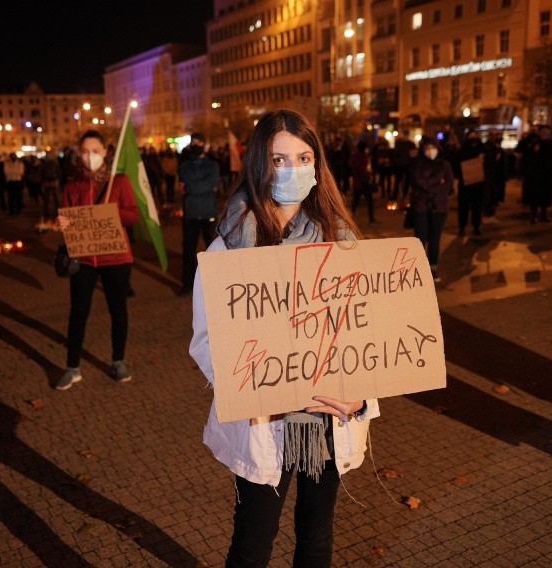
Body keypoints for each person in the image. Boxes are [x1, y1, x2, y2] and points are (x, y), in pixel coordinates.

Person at [189, 110, 379, 567]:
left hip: (327, 415)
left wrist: (360, 397)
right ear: (259, 164)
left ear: (318, 164)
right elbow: (206, 340)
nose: (292, 169)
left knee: (316, 536)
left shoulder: (344, 241)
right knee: (253, 541)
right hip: (266, 420)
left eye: (303, 156)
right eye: (279, 158)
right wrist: (247, 389)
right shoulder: (230, 247)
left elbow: (369, 333)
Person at [56, 130, 139, 389]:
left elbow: (133, 215)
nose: (89, 156)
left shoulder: (120, 182)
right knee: (78, 313)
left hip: (116, 257)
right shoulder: (72, 185)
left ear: (104, 152)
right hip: (85, 260)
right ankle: (72, 367)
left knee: (118, 311)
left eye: (94, 150)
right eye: (84, 151)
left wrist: (108, 213)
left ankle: (118, 361)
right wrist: (64, 223)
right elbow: (69, 219)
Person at [176, 132, 220, 297]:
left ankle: (217, 282)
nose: (195, 145)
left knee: (213, 250)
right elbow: (206, 186)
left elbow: (209, 183)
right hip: (191, 214)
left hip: (208, 212)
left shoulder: (212, 165)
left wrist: (192, 187)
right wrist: (203, 187)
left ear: (203, 144)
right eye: (192, 142)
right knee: (188, 251)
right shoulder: (184, 166)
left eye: (198, 142)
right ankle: (187, 284)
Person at [408, 137, 454, 283]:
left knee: (435, 240)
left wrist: (430, 186)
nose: (430, 151)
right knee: (420, 240)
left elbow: (448, 184)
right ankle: (419, 269)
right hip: (420, 207)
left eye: (432, 147)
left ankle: (433, 268)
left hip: (439, 208)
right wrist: (436, 182)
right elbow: (418, 181)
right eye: (427, 148)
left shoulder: (445, 165)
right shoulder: (418, 164)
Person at [456, 129, 485, 236]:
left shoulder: (482, 149)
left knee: (477, 206)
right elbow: (457, 163)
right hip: (465, 183)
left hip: (478, 184)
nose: (473, 138)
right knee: (463, 206)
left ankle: (476, 226)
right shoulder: (462, 150)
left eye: (474, 136)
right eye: (471, 136)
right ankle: (462, 227)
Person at [349, 139, 375, 225]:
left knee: (355, 202)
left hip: (357, 182)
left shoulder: (355, 156)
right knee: (369, 201)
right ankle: (371, 219)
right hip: (363, 182)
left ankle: (349, 219)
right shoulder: (362, 157)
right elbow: (361, 170)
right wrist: (367, 177)